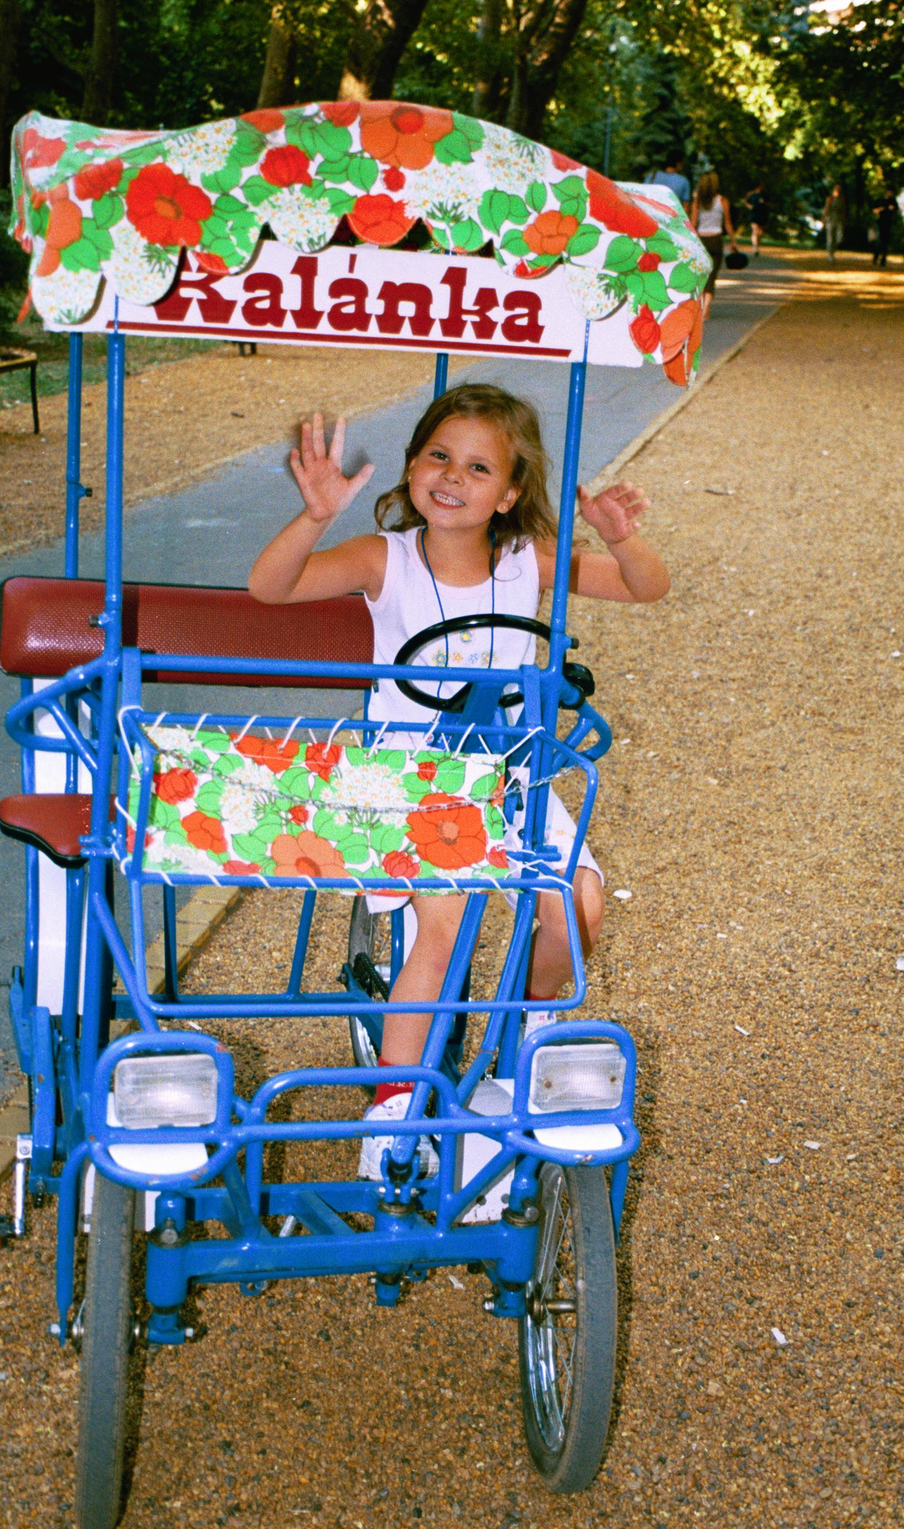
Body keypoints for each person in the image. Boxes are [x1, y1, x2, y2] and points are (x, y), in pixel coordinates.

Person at [249, 384, 669, 1175]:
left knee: (575, 908)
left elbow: (645, 585)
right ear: (411, 465)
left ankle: (523, 1040)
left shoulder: (524, 561)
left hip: (507, 779)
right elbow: (269, 588)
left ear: (509, 493)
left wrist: (618, 538)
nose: (451, 477)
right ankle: (395, 1104)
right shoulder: (386, 558)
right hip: (408, 783)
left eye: (478, 467)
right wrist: (315, 515)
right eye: (437, 456)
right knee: (442, 928)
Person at [691, 171, 738, 313]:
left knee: (700, 274)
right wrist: (733, 241)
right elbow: (728, 224)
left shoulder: (697, 201)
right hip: (716, 240)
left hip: (700, 240)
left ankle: (699, 304)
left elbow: (693, 223)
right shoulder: (722, 201)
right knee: (712, 275)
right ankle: (706, 307)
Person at [872, 192, 898, 267]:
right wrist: (880, 209)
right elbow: (874, 210)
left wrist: (892, 210)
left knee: (885, 242)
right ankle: (876, 256)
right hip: (879, 223)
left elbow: (896, 211)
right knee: (879, 241)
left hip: (888, 223)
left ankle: (883, 259)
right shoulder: (880, 201)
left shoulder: (893, 201)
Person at [743, 182, 770, 256]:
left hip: (763, 215)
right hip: (754, 214)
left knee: (760, 232)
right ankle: (755, 248)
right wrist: (749, 206)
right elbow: (745, 201)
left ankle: (757, 244)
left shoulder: (765, 195)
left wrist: (764, 203)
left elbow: (770, 204)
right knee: (755, 230)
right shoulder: (751, 194)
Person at [823, 183, 847, 263]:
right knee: (830, 239)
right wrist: (823, 221)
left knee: (839, 238)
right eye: (837, 189)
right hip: (830, 220)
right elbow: (826, 210)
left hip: (839, 220)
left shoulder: (842, 199)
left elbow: (844, 210)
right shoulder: (830, 198)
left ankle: (833, 250)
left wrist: (844, 220)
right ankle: (830, 255)